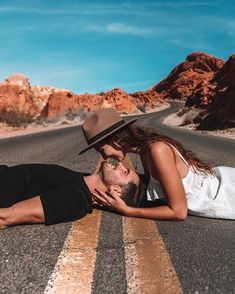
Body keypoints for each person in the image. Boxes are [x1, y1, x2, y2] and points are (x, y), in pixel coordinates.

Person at [79, 108, 235, 220]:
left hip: (225, 191)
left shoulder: (157, 150)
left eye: (101, 149)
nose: (104, 156)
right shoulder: (145, 151)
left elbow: (179, 212)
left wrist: (127, 210)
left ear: (115, 139)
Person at [0, 160, 142, 229]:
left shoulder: (75, 199)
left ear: (116, 191)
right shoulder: (81, 180)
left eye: (125, 172)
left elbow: (7, 216)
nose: (120, 164)